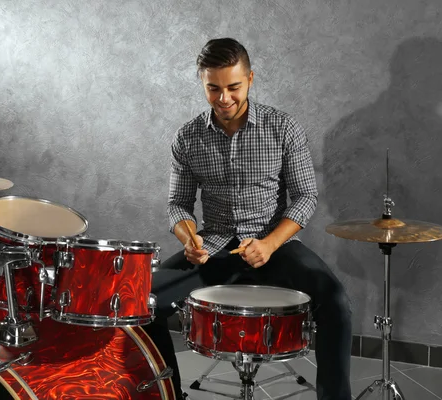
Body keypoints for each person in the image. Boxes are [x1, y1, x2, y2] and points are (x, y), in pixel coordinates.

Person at [144, 37, 352, 400]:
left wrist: (270, 243)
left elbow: (306, 196)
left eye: (233, 87)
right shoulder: (187, 137)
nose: (224, 98)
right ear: (202, 83)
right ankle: (168, 395)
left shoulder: (283, 127)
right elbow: (177, 204)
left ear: (250, 79)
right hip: (214, 246)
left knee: (336, 302)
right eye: (213, 88)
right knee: (143, 300)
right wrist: (188, 237)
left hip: (275, 245)